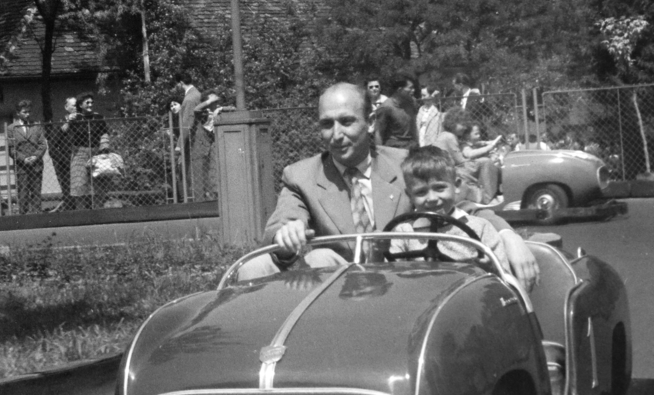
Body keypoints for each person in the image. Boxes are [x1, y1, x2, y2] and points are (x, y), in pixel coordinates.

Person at [235, 82, 537, 287]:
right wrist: (287, 237)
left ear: (368, 122)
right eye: (327, 124)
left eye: (346, 121)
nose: (336, 135)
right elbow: (277, 230)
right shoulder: (300, 176)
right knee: (261, 267)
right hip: (339, 292)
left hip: (404, 283)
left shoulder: (405, 163)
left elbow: (465, 205)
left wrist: (509, 236)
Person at [388, 146, 529, 271]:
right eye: (421, 192)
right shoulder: (405, 233)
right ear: (409, 195)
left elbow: (504, 280)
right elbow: (393, 275)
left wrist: (489, 268)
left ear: (456, 186)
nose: (431, 198)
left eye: (439, 188)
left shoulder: (479, 228)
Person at [172, 75, 218, 202]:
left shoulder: (190, 99)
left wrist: (179, 145)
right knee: (203, 175)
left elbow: (188, 123)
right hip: (202, 141)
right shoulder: (196, 95)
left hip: (196, 143)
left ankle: (200, 206)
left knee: (196, 176)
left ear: (180, 83)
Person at [6, 100, 48, 215]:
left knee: (36, 190)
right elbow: (11, 149)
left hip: (36, 164)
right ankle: (23, 215)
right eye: (24, 112)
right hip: (21, 166)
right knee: (23, 191)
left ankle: (37, 214)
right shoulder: (12, 128)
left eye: (29, 112)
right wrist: (23, 158)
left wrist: (35, 156)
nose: (28, 114)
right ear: (18, 113)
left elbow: (42, 144)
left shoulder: (37, 125)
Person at [89, 134, 125, 207]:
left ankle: (101, 204)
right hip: (110, 186)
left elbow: (88, 166)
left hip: (102, 185)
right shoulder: (116, 157)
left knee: (99, 194)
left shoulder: (95, 158)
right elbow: (122, 171)